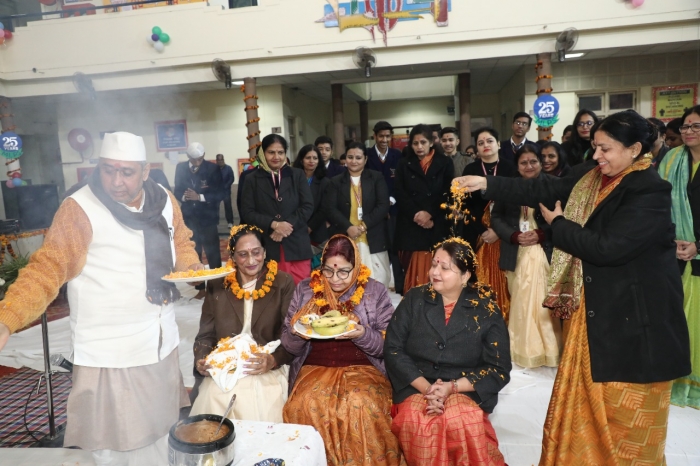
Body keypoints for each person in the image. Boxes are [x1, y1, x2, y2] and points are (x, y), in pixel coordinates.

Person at [456, 110, 691, 464]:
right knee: (588, 405)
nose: (597, 155)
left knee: (627, 421)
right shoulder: (594, 176)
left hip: (635, 324)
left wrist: (560, 224)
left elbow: (607, 248)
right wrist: (487, 184)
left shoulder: (649, 190)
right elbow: (542, 187)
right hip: (599, 313)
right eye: (595, 147)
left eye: (605, 149)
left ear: (634, 149)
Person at [0, 132, 202, 465]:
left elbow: (179, 241)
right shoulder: (79, 208)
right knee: (113, 447)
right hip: (109, 352)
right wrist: (8, 318)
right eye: (108, 170)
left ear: (145, 171)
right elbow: (47, 269)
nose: (116, 181)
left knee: (163, 433)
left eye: (127, 172)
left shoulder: (164, 199)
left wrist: (191, 267)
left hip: (160, 341)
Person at [384, 237, 511, 465]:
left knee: (458, 421)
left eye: (445, 268)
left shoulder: (485, 308)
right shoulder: (415, 298)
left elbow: (498, 367)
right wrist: (427, 388)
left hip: (464, 387)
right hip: (416, 384)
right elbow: (393, 349)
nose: (435, 272)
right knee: (416, 421)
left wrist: (451, 388)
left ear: (465, 276)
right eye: (434, 264)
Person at [281, 235, 401, 465]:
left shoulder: (374, 291)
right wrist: (299, 333)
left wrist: (362, 334)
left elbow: (389, 345)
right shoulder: (306, 290)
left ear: (356, 267)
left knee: (361, 404)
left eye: (344, 272)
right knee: (305, 403)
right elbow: (287, 344)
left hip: (365, 368)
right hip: (315, 367)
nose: (335, 279)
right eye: (328, 271)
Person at [190, 225, 295, 422]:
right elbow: (206, 334)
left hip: (263, 363)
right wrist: (202, 359)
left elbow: (291, 335)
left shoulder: (282, 282)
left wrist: (273, 360)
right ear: (232, 256)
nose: (251, 260)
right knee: (214, 397)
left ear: (264, 252)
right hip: (225, 365)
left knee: (259, 400)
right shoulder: (218, 283)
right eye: (243, 254)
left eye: (256, 252)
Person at [491, 145, 561, 367]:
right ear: (517, 166)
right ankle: (520, 348)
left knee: (539, 301)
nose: (529, 166)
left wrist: (541, 234)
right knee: (520, 301)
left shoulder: (554, 185)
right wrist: (513, 235)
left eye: (533, 161)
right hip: (515, 249)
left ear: (541, 163)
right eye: (523, 162)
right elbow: (496, 218)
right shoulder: (509, 187)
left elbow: (566, 218)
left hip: (543, 249)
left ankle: (546, 350)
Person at [659, 105, 700, 409]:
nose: (689, 132)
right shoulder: (672, 159)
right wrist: (670, 240)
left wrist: (699, 245)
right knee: (677, 319)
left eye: (696, 126)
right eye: (686, 126)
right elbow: (658, 204)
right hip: (674, 251)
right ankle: (676, 378)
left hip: (697, 252)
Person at [241, 134, 314, 284]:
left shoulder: (297, 175)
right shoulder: (251, 179)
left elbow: (307, 206)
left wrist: (286, 226)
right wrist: (273, 224)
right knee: (273, 289)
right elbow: (247, 212)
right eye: (271, 152)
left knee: (301, 289)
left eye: (280, 152)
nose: (276, 157)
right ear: (263, 153)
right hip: (268, 243)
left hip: (296, 242)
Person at [460, 128, 516, 319]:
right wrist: (483, 230)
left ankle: (507, 318)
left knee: (506, 278)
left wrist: (498, 230)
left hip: (506, 232)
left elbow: (515, 202)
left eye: (490, 141)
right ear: (476, 148)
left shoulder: (510, 168)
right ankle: (481, 318)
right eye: (481, 143)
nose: (486, 145)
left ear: (498, 144)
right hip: (477, 233)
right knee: (478, 276)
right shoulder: (470, 170)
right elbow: (465, 206)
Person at [394, 124, 454, 293]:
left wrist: (430, 214)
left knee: (438, 274)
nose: (419, 147)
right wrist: (417, 215)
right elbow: (400, 192)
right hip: (411, 225)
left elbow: (447, 192)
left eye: (423, 142)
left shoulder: (445, 162)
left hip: (436, 223)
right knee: (414, 279)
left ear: (432, 143)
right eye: (415, 143)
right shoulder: (404, 163)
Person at [325, 142, 391, 288]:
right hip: (345, 235)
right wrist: (348, 227)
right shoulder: (336, 181)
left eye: (358, 158)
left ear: (365, 159)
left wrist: (363, 226)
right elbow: (330, 209)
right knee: (347, 280)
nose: (354, 161)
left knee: (378, 280)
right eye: (350, 157)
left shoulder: (376, 178)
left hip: (373, 235)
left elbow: (383, 205)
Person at [174, 142, 225, 280]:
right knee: (194, 254)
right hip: (189, 218)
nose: (197, 162)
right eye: (194, 159)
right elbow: (177, 190)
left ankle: (217, 284)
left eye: (200, 159)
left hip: (208, 219)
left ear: (204, 155)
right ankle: (199, 286)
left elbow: (220, 193)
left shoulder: (213, 168)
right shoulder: (180, 168)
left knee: (213, 253)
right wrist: (185, 197)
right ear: (188, 156)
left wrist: (199, 197)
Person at [365, 120, 403, 292]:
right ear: (375, 136)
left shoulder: (397, 155)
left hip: (393, 208)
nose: (384, 139)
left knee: (394, 248)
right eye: (381, 136)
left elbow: (400, 182)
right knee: (375, 249)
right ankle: (375, 287)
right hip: (372, 210)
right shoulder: (367, 155)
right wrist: (380, 205)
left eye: (388, 136)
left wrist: (390, 201)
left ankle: (399, 285)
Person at [292, 145, 330, 249]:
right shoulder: (292, 180)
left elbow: (324, 209)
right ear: (301, 160)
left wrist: (309, 227)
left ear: (319, 161)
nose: (311, 161)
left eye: (315, 158)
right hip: (294, 229)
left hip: (316, 232)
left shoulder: (325, 182)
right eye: (308, 158)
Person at [216, 153, 236, 227]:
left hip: (226, 191)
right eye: (219, 160)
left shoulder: (228, 168)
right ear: (216, 160)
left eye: (221, 160)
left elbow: (231, 178)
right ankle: (216, 222)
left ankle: (230, 222)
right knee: (215, 207)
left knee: (228, 207)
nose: (220, 161)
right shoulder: (214, 169)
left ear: (223, 160)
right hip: (217, 192)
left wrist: (226, 186)